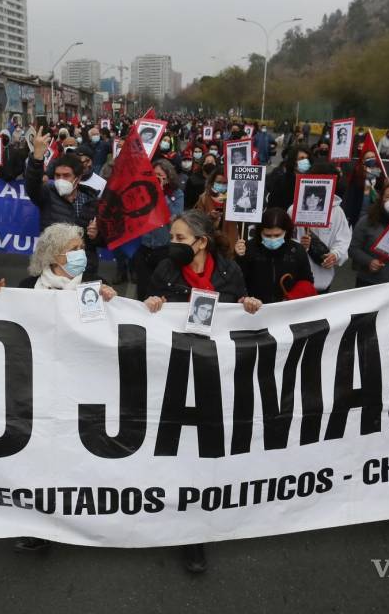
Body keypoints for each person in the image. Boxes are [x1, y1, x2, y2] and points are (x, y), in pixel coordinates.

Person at [0, 221, 116, 554]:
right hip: (36, 386)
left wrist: (112, 302)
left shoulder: (95, 289)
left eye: (81, 248)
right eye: (74, 249)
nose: (81, 254)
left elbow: (105, 336)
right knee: (40, 458)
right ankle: (38, 526)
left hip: (79, 388)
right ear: (55, 256)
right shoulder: (27, 287)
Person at [142, 210, 261, 574]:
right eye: (172, 238)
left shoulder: (229, 272)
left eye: (180, 239)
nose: (172, 245)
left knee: (203, 450)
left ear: (201, 242)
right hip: (173, 370)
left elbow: (241, 307)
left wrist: (247, 306)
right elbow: (143, 309)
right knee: (173, 448)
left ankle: (194, 534)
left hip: (215, 372)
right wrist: (153, 304)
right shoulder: (165, 270)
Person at [24, 132, 101, 280]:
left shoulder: (91, 200)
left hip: (83, 268)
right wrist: (37, 158)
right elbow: (32, 185)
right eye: (57, 175)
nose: (60, 179)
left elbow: (101, 240)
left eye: (66, 176)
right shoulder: (47, 194)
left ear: (77, 179)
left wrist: (96, 235)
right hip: (52, 268)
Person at [287, 164, 351, 293]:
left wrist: (335, 255)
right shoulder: (293, 210)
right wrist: (300, 246)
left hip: (323, 280)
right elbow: (286, 240)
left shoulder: (337, 212)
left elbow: (343, 240)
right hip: (298, 280)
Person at [233, 208, 315, 303]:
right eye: (267, 235)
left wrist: (292, 297)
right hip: (254, 307)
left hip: (287, 308)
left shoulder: (297, 250)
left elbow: (307, 281)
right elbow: (237, 280)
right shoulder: (248, 248)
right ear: (260, 232)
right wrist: (239, 257)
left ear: (286, 231)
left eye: (277, 235)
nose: (272, 239)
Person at [131, 159, 184, 300]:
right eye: (154, 175)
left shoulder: (177, 194)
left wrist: (161, 196)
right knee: (143, 285)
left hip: (164, 248)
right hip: (144, 246)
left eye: (160, 175)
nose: (157, 178)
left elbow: (175, 219)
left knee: (161, 286)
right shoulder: (143, 192)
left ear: (168, 176)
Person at [349, 183, 389, 287]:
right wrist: (369, 261)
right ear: (381, 200)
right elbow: (353, 249)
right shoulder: (367, 221)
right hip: (369, 281)